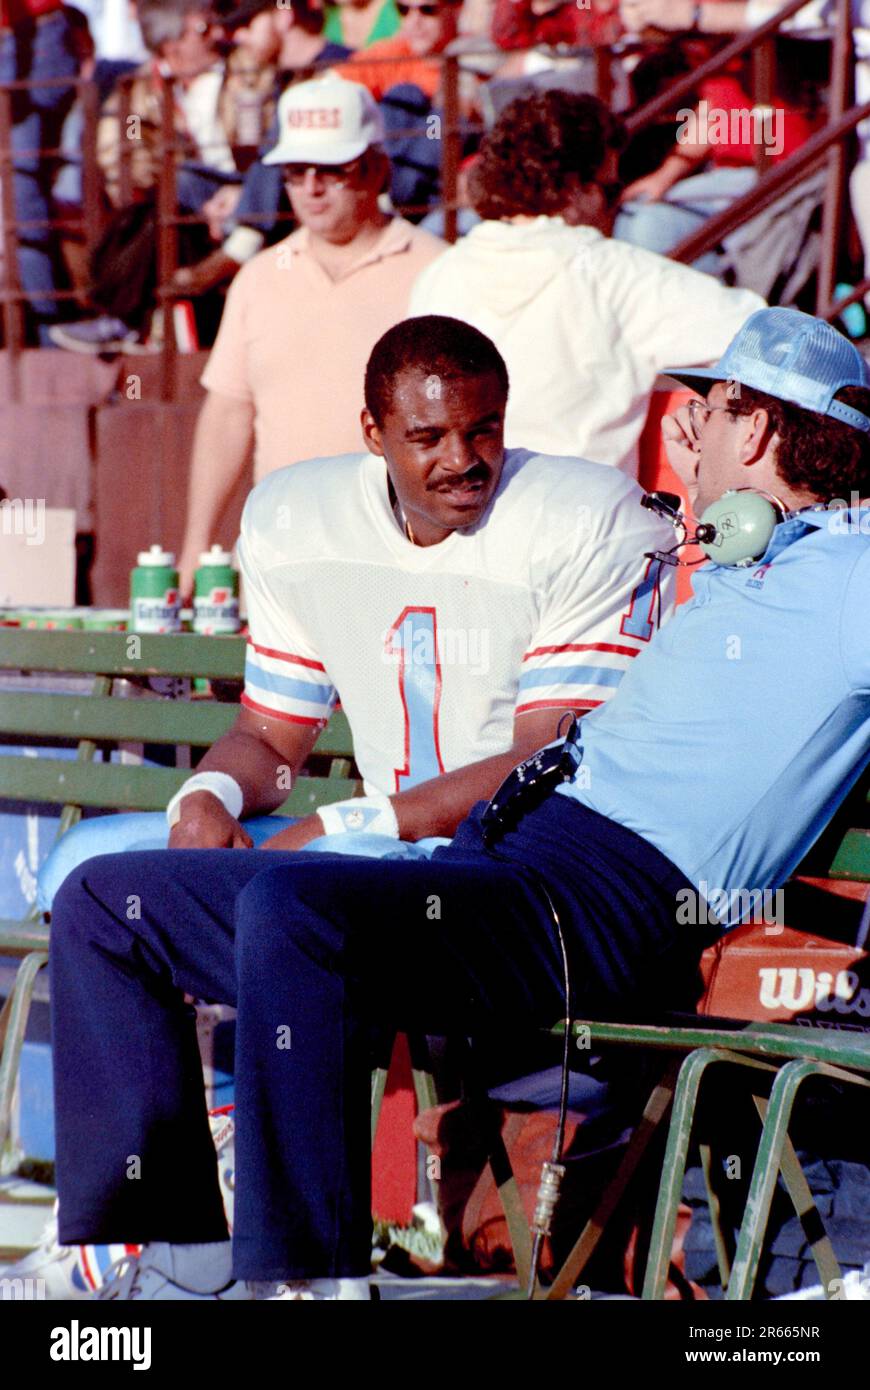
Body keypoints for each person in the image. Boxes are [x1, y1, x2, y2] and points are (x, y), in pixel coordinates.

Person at [39, 307, 870, 1300]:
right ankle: (162, 1258)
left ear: (762, 430)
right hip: (496, 870)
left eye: (715, 406)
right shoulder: (752, 556)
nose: (688, 423)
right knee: (110, 903)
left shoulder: (850, 573)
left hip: (596, 903)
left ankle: (307, 1282)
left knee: (295, 912)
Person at [38, 312, 673, 902]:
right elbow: (269, 739)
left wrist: (340, 823)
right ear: (373, 432)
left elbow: (548, 760)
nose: (462, 460)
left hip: (519, 860)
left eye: (483, 430)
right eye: (428, 438)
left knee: (306, 880)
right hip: (374, 843)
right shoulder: (300, 518)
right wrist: (208, 796)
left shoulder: (586, 516)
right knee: (87, 865)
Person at [175, 72, 443, 594]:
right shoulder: (257, 278)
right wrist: (195, 544)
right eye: (296, 172)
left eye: (331, 170)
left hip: (400, 562)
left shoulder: (437, 273)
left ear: (377, 168)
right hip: (281, 559)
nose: (311, 188)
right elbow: (228, 415)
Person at [409, 89, 765, 475]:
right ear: (575, 188)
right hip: (586, 521)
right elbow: (770, 337)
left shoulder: (440, 274)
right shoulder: (615, 275)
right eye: (611, 189)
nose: (615, 208)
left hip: (463, 519)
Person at [49, 0, 272, 353]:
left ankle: (120, 319)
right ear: (171, 43)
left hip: (249, 187)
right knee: (152, 208)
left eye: (215, 24)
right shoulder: (141, 90)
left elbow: (261, 138)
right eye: (202, 29)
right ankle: (127, 316)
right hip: (184, 197)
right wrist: (157, 179)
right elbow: (127, 142)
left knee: (167, 197)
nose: (217, 34)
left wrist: (234, 194)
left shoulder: (245, 67)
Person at [619, 0, 870, 308]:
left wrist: (696, 16)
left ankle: (720, 325)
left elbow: (792, 16)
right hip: (728, 176)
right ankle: (694, 328)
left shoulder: (745, 14)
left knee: (652, 226)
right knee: (636, 216)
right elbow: (713, 109)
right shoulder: (708, 29)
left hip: (785, 169)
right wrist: (665, 175)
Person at [174, 0, 354, 296]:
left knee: (287, 127)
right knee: (184, 179)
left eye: (247, 25)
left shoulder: (339, 66)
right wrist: (239, 193)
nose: (239, 37)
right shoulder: (278, 76)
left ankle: (242, 244)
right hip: (274, 190)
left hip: (316, 189)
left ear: (284, 15)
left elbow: (301, 153)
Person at [340, 0, 473, 214]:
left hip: (442, 181)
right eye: (404, 10)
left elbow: (466, 108)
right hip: (396, 158)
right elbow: (332, 84)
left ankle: (399, 193)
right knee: (403, 95)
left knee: (441, 116)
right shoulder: (393, 51)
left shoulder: (468, 50)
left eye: (427, 10)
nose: (414, 21)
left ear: (455, 10)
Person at [0, 0, 80, 345]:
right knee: (22, 204)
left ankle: (52, 338)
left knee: (23, 204)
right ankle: (49, 335)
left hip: (31, 42)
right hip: (24, 40)